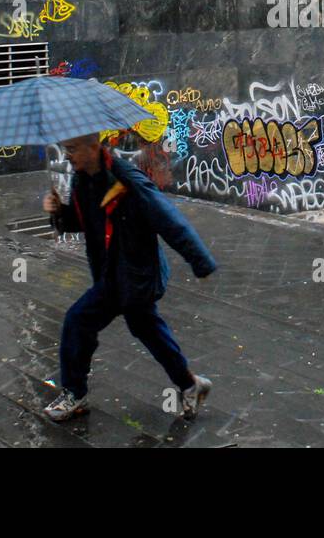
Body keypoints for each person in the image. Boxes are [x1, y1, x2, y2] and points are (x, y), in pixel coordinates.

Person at [41, 133, 217, 422]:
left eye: (73, 149)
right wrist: (59, 210)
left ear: (94, 146)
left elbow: (169, 220)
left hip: (136, 276)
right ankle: (191, 385)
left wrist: (201, 262)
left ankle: (74, 393)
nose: (68, 156)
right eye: (65, 149)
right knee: (147, 329)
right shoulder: (83, 179)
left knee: (78, 320)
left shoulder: (128, 180)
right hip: (112, 273)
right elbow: (78, 221)